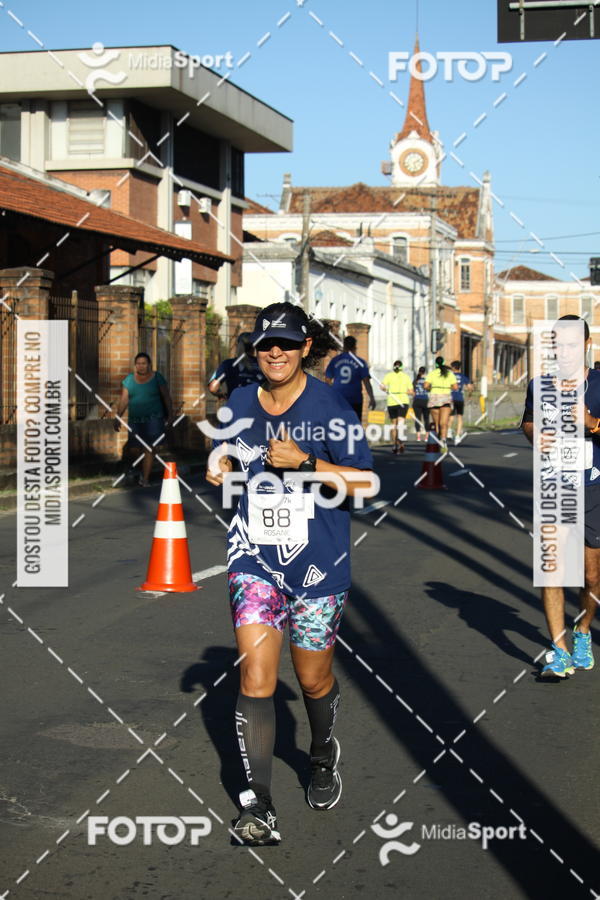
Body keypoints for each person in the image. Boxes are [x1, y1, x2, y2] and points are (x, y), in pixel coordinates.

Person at [206, 301, 376, 845]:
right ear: (254, 351)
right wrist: (222, 465)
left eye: (285, 343)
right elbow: (224, 455)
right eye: (264, 344)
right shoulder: (237, 399)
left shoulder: (331, 407)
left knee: (311, 679)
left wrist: (305, 464)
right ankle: (259, 807)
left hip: (317, 565)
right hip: (253, 557)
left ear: (306, 349)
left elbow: (367, 486)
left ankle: (322, 752)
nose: (274, 352)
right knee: (255, 677)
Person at [521, 315, 599, 677]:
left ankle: (583, 630)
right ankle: (559, 648)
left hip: (593, 487)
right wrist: (534, 434)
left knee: (591, 576)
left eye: (571, 344)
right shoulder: (540, 385)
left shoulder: (599, 384)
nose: (564, 351)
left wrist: (593, 424)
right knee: (552, 570)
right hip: (554, 486)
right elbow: (527, 421)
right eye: (558, 344)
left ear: (585, 344)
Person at [113, 352, 173, 486]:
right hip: (135, 420)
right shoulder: (129, 380)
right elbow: (124, 399)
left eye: (144, 363)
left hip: (154, 419)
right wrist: (118, 417)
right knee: (134, 449)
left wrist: (170, 415)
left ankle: (144, 479)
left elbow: (166, 397)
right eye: (138, 364)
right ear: (135, 365)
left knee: (149, 448)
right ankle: (143, 468)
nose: (141, 366)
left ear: (149, 365)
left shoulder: (157, 377)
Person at [325, 335, 376, 421]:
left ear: (344, 346)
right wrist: (371, 397)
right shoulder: (360, 362)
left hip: (339, 398)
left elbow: (327, 380)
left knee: (338, 425)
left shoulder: (335, 360)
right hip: (355, 399)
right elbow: (366, 382)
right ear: (354, 346)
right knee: (354, 427)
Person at [208, 332, 264, 398]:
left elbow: (213, 388)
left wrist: (222, 395)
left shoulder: (228, 364)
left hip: (235, 406)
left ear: (238, 346)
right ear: (254, 346)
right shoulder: (262, 364)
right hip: (257, 405)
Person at [424, 356, 458, 454]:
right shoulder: (450, 374)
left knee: (437, 423)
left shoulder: (432, 373)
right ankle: (443, 441)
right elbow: (455, 387)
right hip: (446, 398)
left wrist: (431, 388)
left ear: (436, 364)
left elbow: (425, 386)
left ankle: (439, 440)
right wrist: (448, 386)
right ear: (443, 363)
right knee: (444, 422)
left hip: (434, 398)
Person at [382, 361, 414, 454]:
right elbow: (411, 391)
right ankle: (400, 443)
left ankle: (395, 444)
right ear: (402, 367)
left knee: (393, 424)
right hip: (402, 402)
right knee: (400, 424)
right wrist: (406, 392)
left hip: (392, 401)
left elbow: (382, 386)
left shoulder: (389, 375)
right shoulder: (406, 377)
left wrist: (385, 389)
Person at [449, 360, 473, 444]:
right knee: (459, 417)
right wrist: (469, 395)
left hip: (450, 398)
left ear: (453, 367)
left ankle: (448, 430)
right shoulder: (462, 376)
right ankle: (457, 436)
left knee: (450, 416)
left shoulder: (449, 376)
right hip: (459, 398)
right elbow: (470, 387)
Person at [412, 366, 430, 442]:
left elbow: (412, 391)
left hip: (417, 401)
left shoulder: (415, 380)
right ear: (425, 372)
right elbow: (429, 389)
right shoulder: (427, 380)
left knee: (417, 419)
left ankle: (418, 437)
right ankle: (426, 437)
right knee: (426, 419)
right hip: (425, 400)